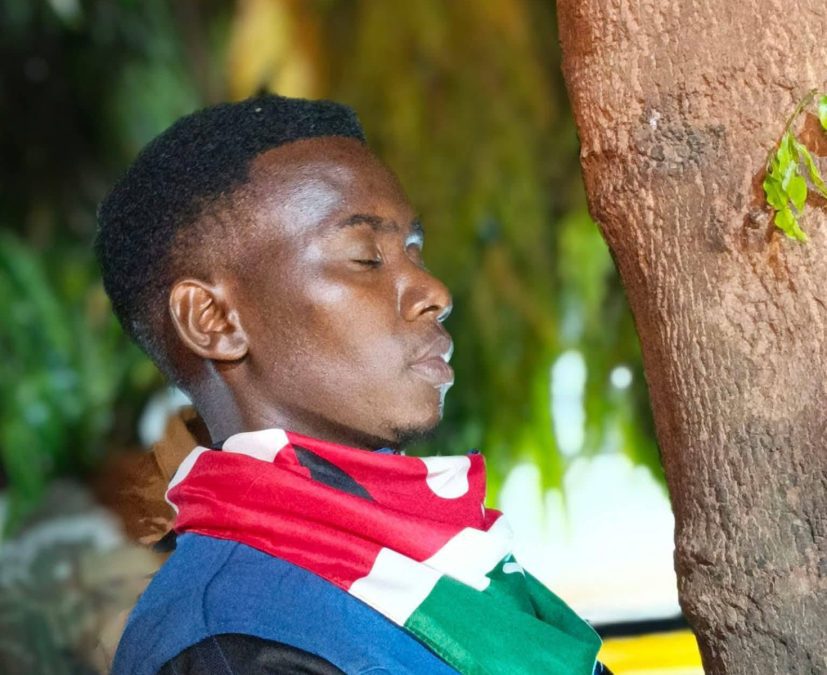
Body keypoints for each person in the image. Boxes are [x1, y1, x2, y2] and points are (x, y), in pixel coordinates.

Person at [96, 94, 610, 675]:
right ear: (214, 321)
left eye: (413, 251)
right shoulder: (234, 643)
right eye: (365, 258)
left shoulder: (438, 563)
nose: (433, 291)